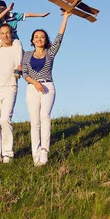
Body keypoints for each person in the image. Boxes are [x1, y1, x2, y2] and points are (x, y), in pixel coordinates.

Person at [21, 10, 72, 166]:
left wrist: (65, 18)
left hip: (48, 86)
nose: (39, 39)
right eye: (36, 37)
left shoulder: (50, 53)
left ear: (45, 40)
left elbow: (59, 38)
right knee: (34, 121)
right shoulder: (26, 55)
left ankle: (44, 151)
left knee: (45, 117)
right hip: (32, 87)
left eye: (42, 37)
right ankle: (35, 154)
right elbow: (24, 72)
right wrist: (34, 83)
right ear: (32, 40)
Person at [0, 0, 49, 77]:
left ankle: (17, 67)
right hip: (1, 40)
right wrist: (7, 10)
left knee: (19, 47)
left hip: (13, 39)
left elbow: (27, 14)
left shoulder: (14, 15)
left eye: (0, 9)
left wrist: (40, 15)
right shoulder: (0, 18)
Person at [0, 23, 24, 165]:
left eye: (8, 32)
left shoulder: (17, 47)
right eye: (2, 33)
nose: (5, 36)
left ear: (12, 33)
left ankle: (8, 153)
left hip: (10, 86)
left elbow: (21, 65)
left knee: (5, 119)